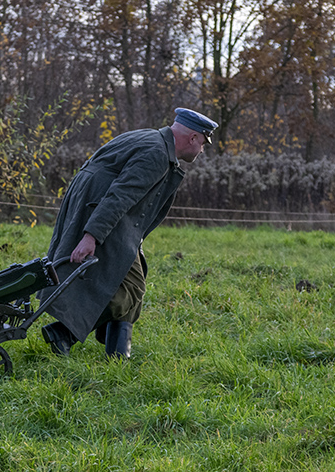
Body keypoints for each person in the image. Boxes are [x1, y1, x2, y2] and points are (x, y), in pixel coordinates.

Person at [38, 108, 217, 359]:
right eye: (203, 143)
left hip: (98, 209)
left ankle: (117, 356)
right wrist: (92, 236)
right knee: (131, 288)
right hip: (101, 212)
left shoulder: (151, 138)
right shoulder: (156, 154)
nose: (202, 150)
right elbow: (119, 196)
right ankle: (65, 333)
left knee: (131, 281)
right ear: (193, 138)